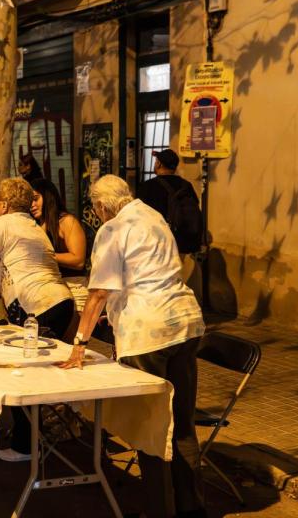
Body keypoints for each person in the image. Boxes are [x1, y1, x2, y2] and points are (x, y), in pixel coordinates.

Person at [59, 175, 206, 518]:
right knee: (182, 425)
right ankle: (193, 509)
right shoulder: (153, 216)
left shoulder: (113, 230)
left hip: (148, 332)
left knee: (150, 428)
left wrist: (79, 343)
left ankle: (159, 510)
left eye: (95, 209)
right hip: (184, 322)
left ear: (101, 207)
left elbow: (97, 293)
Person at [0, 177, 75, 463]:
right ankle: (33, 438)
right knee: (31, 372)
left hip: (37, 307)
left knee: (22, 374)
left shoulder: (5, 223)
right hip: (58, 302)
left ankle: (26, 446)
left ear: (4, 204)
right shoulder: (32, 226)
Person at [137, 149, 202, 256]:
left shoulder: (148, 186)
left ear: (159, 164)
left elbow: (139, 216)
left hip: (159, 246)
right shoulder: (186, 185)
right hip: (183, 245)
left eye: (156, 161)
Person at [29, 178, 87, 277]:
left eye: (35, 199)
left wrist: (45, 256)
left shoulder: (67, 221)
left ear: (48, 197)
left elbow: (79, 260)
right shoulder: (34, 224)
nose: (32, 205)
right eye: (29, 201)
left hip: (73, 286)